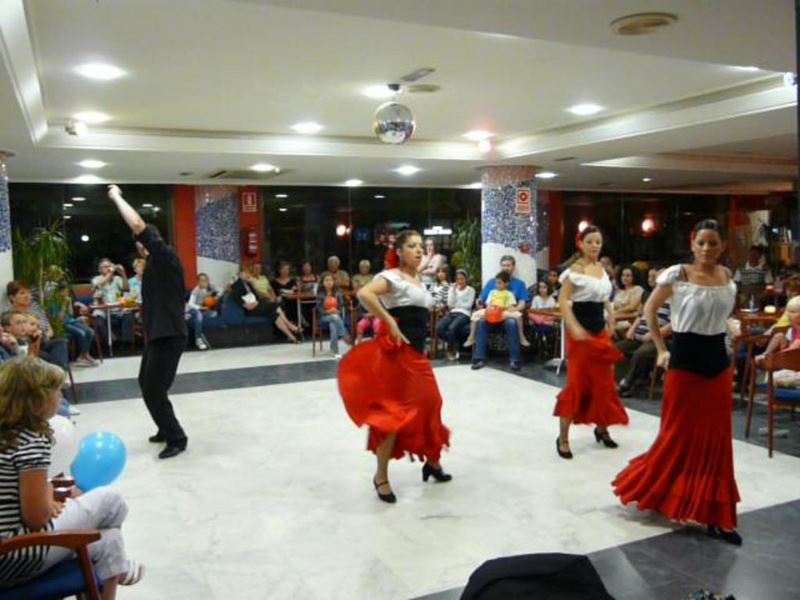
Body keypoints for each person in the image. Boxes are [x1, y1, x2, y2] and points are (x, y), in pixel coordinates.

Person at [613, 219, 741, 545]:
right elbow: (650, 309)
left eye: (713, 243)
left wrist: (731, 326)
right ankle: (659, 491)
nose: (707, 249)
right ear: (692, 244)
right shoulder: (678, 275)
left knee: (716, 442)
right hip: (684, 363)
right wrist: (660, 349)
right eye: (702, 242)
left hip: (718, 365)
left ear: (722, 246)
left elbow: (720, 315)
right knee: (677, 435)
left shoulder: (727, 276)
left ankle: (716, 515)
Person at [0, 356, 143, 596]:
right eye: (57, 391)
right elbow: (36, 518)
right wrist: (48, 495)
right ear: (37, 400)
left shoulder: (8, 435)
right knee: (111, 500)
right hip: (15, 556)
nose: (60, 397)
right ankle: (119, 568)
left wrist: (46, 494)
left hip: (8, 550)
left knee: (111, 541)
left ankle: (119, 565)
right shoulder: (31, 442)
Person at [339, 230, 451, 504]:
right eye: (412, 246)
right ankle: (381, 476)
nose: (418, 250)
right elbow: (364, 293)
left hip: (416, 354)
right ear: (399, 251)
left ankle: (432, 462)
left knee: (431, 403)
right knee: (392, 416)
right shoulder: (391, 277)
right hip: (397, 355)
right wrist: (388, 320)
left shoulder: (419, 279)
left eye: (420, 246)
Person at [108, 184, 189, 460]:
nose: (139, 245)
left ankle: (177, 437)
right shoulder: (154, 263)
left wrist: (116, 197)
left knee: (154, 390)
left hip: (170, 335)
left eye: (141, 240)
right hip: (158, 335)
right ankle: (165, 428)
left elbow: (137, 224)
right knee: (146, 383)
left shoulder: (165, 256)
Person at [555, 226, 628, 459]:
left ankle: (602, 428)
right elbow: (563, 301)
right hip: (580, 334)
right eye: (590, 241)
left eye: (598, 242)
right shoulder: (575, 270)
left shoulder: (601, 269)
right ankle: (563, 438)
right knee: (577, 384)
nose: (595, 245)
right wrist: (574, 327)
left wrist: (612, 315)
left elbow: (605, 297)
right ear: (580, 244)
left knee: (604, 382)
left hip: (599, 332)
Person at [471, 255, 530, 371]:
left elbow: (523, 303)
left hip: (507, 315)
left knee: (512, 323)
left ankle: (515, 360)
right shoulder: (492, 282)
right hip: (492, 315)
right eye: (503, 265)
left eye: (508, 265)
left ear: (513, 267)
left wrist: (515, 309)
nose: (506, 268)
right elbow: (481, 299)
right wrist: (479, 303)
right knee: (481, 322)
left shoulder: (519, 284)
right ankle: (479, 358)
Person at [615, 298, 672, 397]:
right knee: (615, 349)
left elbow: (673, 325)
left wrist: (653, 335)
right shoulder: (653, 297)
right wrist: (632, 329)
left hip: (658, 340)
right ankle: (624, 381)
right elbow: (640, 316)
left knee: (642, 353)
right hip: (637, 337)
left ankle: (626, 384)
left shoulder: (677, 300)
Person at [231, 266, 300, 342]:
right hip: (250, 309)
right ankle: (290, 325)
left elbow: (256, 296)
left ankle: (291, 336)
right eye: (245, 273)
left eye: (248, 273)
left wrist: (256, 299)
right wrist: (245, 305)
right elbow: (237, 298)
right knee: (274, 305)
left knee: (274, 315)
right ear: (240, 274)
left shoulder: (249, 284)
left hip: (257, 305)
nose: (247, 275)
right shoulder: (236, 285)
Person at [465, 271, 529, 349]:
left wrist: (507, 308)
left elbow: (511, 306)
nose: (497, 285)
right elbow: (488, 304)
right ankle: (471, 337)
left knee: (519, 316)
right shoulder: (492, 292)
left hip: (503, 313)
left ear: (506, 284)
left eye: (499, 283)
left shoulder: (509, 294)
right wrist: (490, 307)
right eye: (496, 283)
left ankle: (521, 337)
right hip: (491, 312)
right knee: (475, 315)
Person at [48, 282, 98, 366]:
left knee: (90, 332)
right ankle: (84, 356)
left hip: (71, 321)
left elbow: (71, 314)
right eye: (65, 291)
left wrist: (69, 303)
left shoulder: (67, 299)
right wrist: (64, 305)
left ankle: (83, 355)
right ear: (59, 292)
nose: (67, 293)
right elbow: (60, 319)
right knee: (81, 333)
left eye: (67, 291)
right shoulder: (53, 302)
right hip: (61, 324)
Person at [435, 268, 475, 361]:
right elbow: (450, 304)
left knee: (451, 328)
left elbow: (468, 305)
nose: (459, 281)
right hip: (453, 312)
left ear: (466, 279)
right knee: (439, 328)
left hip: (464, 314)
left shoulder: (470, 290)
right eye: (457, 279)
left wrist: (457, 304)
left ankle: (450, 350)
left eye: (462, 279)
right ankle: (455, 343)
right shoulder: (452, 289)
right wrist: (452, 291)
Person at [186, 273, 219, 351]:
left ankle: (193, 320)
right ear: (198, 282)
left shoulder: (211, 288)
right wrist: (200, 307)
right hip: (193, 309)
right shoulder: (196, 291)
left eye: (205, 280)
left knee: (214, 314)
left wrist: (216, 297)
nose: (204, 282)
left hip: (204, 310)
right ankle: (198, 339)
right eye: (201, 280)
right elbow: (190, 304)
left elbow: (218, 293)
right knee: (199, 315)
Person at [317, 274, 347, 357]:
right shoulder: (320, 294)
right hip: (324, 317)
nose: (329, 282)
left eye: (330, 280)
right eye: (326, 280)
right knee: (334, 317)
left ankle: (335, 351)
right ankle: (343, 335)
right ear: (323, 283)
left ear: (333, 282)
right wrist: (328, 311)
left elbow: (341, 306)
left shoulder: (337, 293)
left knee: (333, 324)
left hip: (336, 317)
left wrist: (337, 311)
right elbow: (319, 309)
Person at [613, 267, 645, 336]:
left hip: (631, 319)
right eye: (623, 275)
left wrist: (614, 312)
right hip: (617, 318)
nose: (624, 278)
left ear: (634, 277)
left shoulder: (637, 289)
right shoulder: (620, 291)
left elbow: (632, 307)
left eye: (628, 276)